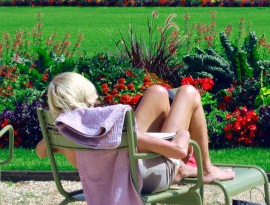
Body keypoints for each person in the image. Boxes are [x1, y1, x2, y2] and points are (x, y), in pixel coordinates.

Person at [36, 73, 235, 189]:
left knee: (157, 92)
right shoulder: (102, 127)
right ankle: (206, 169)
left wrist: (55, 136)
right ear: (87, 95)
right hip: (141, 177)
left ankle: (184, 169)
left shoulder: (65, 131)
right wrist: (183, 136)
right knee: (189, 92)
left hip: (121, 173)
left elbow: (40, 151)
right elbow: (177, 150)